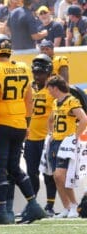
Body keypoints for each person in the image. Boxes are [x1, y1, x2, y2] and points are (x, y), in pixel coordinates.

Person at [0, 34, 46, 224]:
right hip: (19, 123)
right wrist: (26, 122)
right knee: (14, 167)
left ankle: (2, 211)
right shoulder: (23, 67)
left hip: (0, 123)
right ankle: (33, 205)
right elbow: (29, 99)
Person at [46, 75, 87, 218]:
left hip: (66, 143)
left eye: (50, 89)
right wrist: (51, 133)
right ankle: (67, 207)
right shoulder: (56, 102)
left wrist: (75, 136)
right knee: (57, 178)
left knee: (61, 175)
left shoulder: (71, 101)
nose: (49, 92)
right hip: (56, 142)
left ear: (55, 88)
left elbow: (83, 119)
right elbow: (50, 120)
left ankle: (74, 205)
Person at [24, 53, 56, 217]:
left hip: (47, 138)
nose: (37, 76)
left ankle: (50, 205)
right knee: (31, 173)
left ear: (48, 72)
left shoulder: (54, 88)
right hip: (30, 138)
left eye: (41, 73)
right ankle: (33, 203)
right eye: (35, 73)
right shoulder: (28, 87)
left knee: (49, 173)